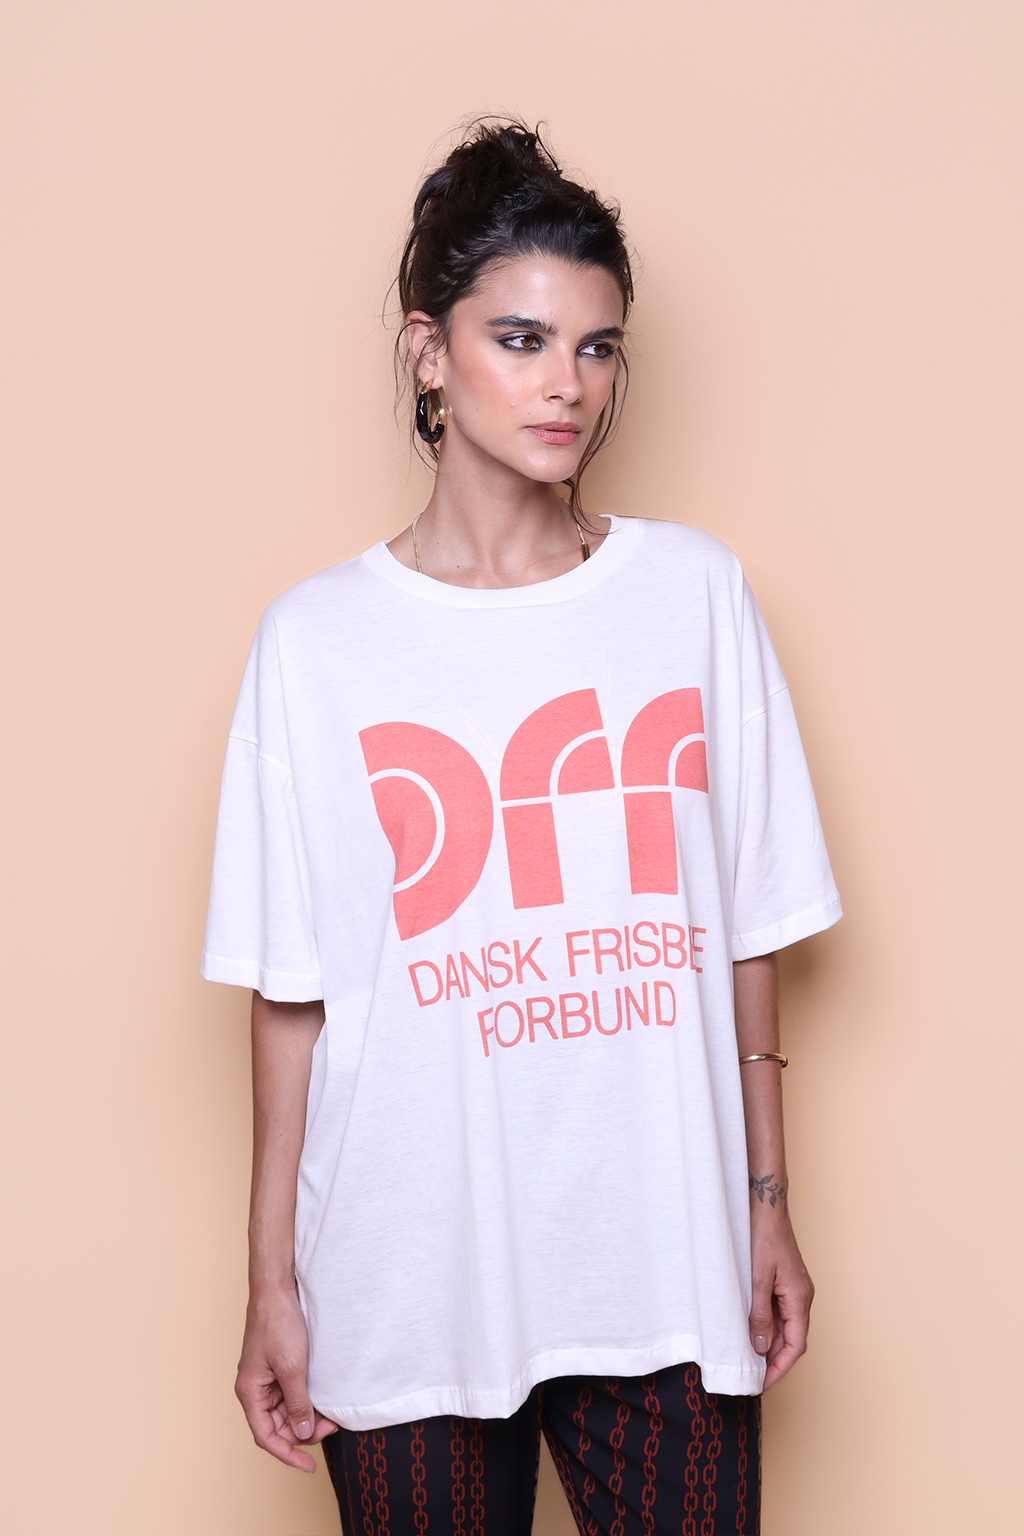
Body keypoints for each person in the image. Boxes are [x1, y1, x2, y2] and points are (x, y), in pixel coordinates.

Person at [202, 119, 841, 1536]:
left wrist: (766, 1199)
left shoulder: (691, 595)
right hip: (405, 1262)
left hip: (662, 1254)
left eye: (597, 347)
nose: (567, 384)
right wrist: (270, 1283)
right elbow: (292, 993)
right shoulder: (316, 642)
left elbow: (746, 928)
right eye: (521, 339)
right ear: (428, 351)